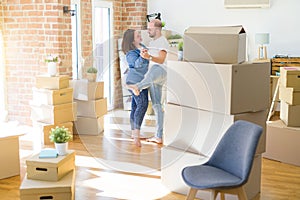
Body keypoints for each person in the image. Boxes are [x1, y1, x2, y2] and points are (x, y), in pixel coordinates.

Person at [127, 19, 169, 144]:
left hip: (159, 70)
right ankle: (158, 136)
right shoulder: (152, 42)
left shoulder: (162, 41)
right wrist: (145, 55)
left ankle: (138, 87)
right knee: (157, 106)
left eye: (150, 29)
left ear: (157, 30)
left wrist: (149, 57)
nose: (148, 31)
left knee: (149, 77)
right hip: (155, 77)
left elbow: (161, 60)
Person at [122, 29, 149, 147]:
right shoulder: (130, 53)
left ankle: (134, 133)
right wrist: (143, 56)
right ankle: (136, 136)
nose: (140, 36)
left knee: (135, 106)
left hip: (142, 80)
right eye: (138, 36)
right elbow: (137, 65)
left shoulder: (141, 46)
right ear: (132, 41)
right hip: (134, 82)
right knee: (142, 105)